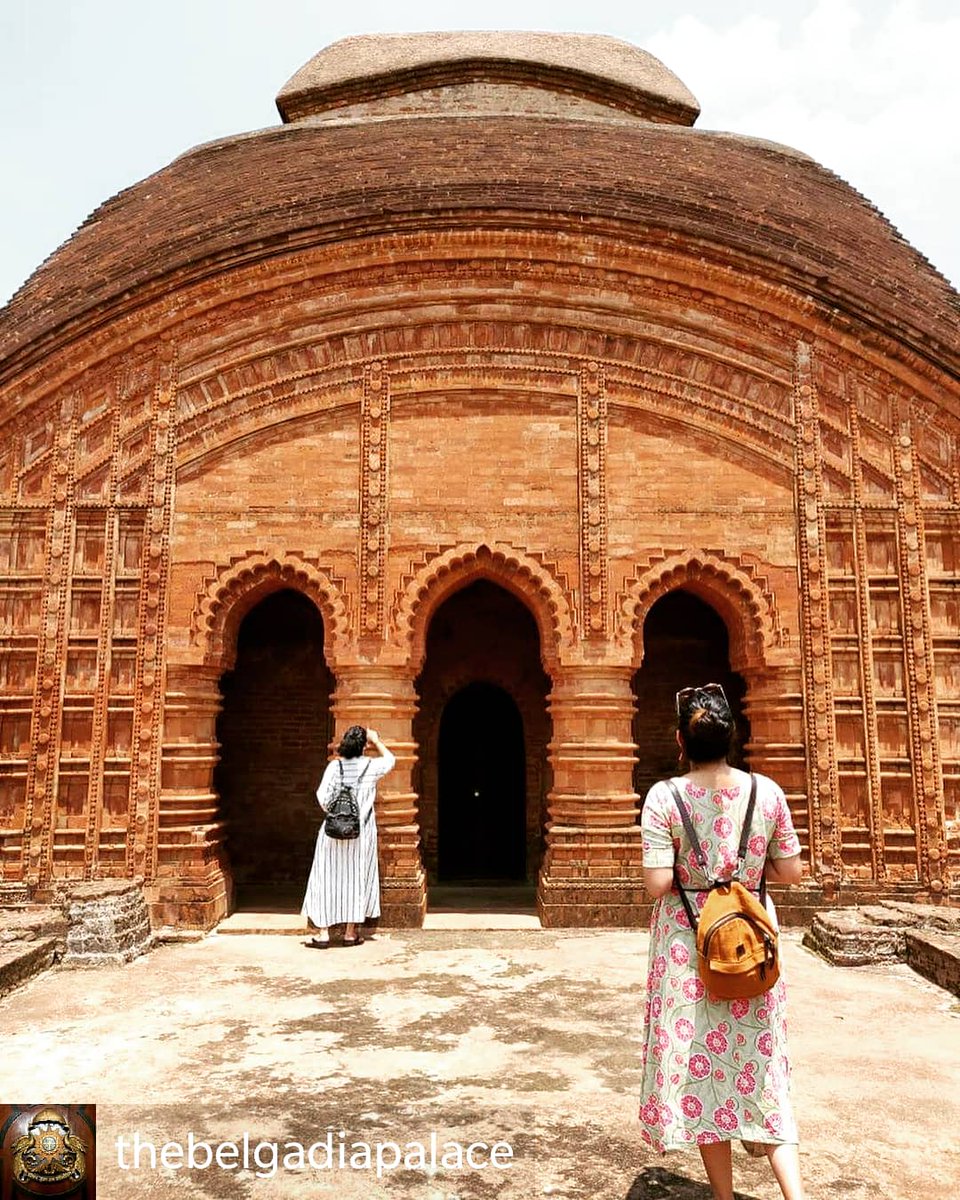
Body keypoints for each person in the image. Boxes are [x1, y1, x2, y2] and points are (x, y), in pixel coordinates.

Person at [638, 683, 805, 1200]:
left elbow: (658, 884)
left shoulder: (665, 797)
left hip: (691, 948)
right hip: (752, 945)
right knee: (762, 1066)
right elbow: (791, 872)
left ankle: (724, 1196)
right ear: (732, 737)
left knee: (704, 1070)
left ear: (680, 742)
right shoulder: (768, 792)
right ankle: (796, 1195)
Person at [301, 725, 395, 948]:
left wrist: (338, 815)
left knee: (326, 878)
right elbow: (391, 760)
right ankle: (350, 933)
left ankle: (323, 934)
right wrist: (377, 741)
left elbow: (322, 797)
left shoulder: (335, 767)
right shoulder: (371, 766)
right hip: (360, 833)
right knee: (356, 879)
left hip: (333, 832)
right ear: (364, 746)